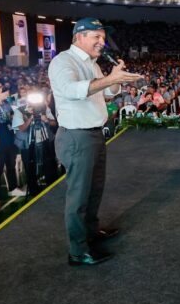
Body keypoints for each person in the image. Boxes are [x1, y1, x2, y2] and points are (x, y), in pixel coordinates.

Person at [48, 17, 142, 266]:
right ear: (79, 36)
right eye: (96, 37)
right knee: (79, 196)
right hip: (77, 137)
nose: (103, 42)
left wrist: (116, 80)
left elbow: (106, 92)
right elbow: (71, 90)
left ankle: (90, 233)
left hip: (94, 135)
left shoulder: (92, 63)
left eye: (103, 37)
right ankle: (78, 252)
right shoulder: (63, 62)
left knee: (94, 190)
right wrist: (110, 80)